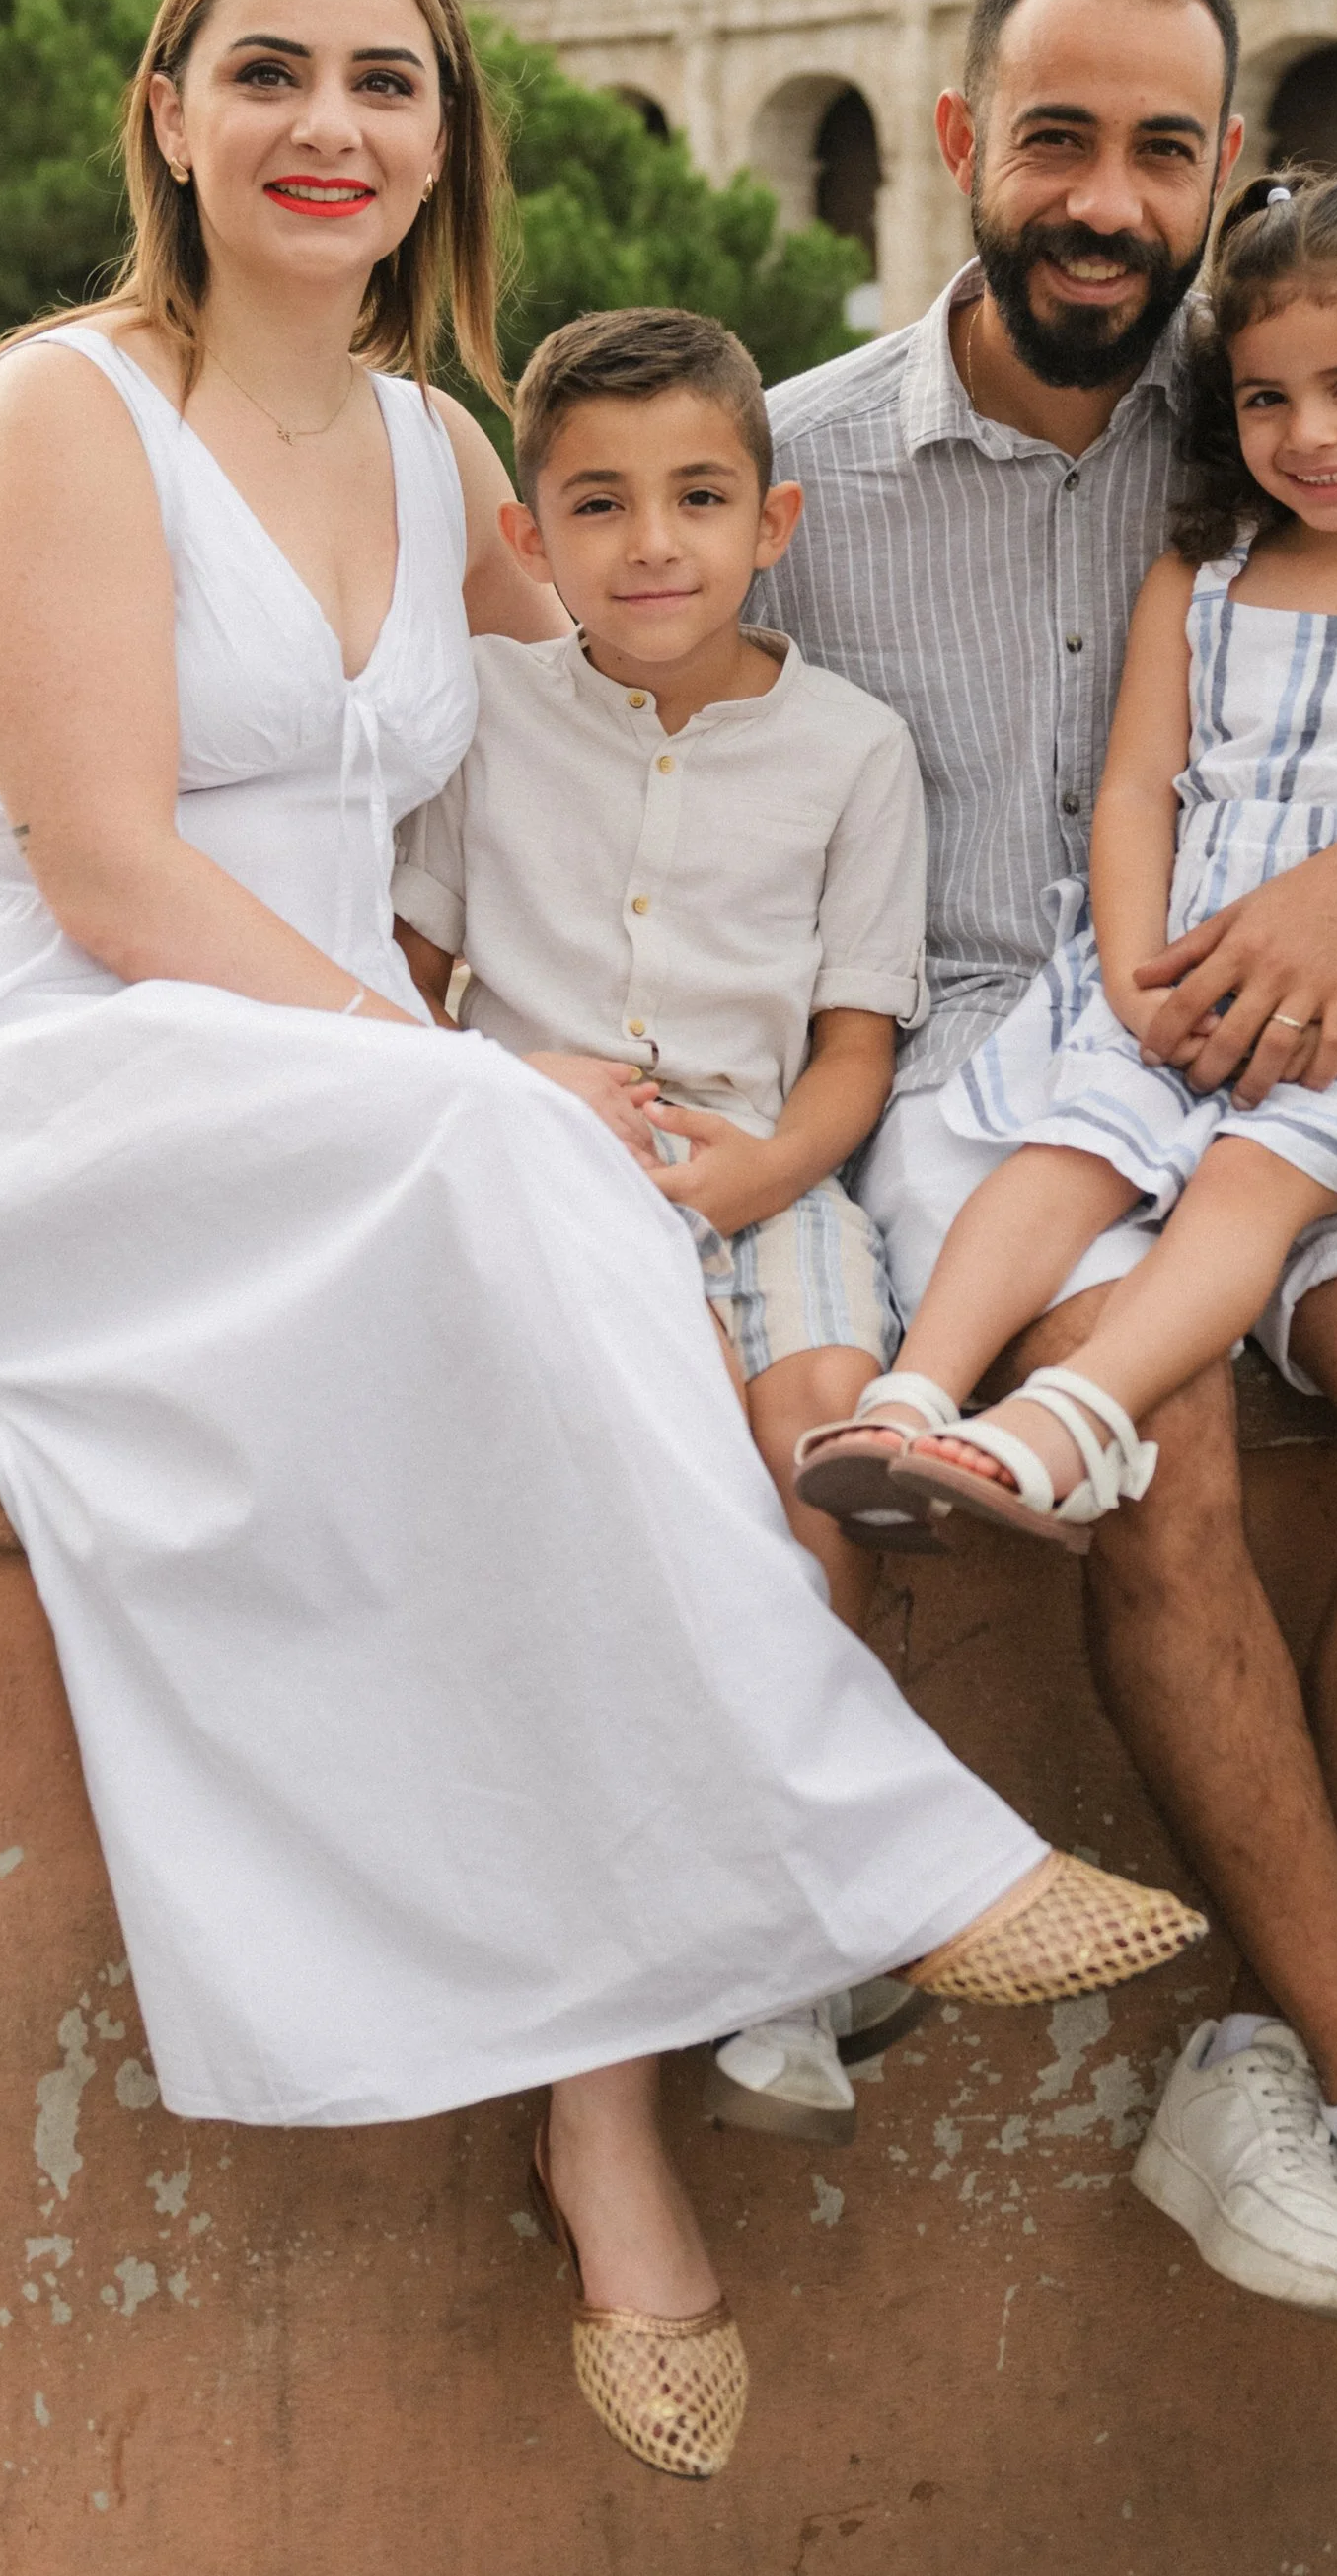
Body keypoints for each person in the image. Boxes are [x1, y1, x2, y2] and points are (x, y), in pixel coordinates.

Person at [0, 0, 1202, 2488]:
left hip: (318, 1114)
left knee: (525, 1296)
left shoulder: (444, 454)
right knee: (502, 1145)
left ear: (447, 141)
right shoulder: (53, 413)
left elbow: (689, 651)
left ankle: (603, 2126)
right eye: (274, 74)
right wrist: (476, 1073)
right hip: (19, 1086)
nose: (330, 128)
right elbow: (107, 880)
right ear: (173, 112)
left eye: (387, 82)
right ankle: (877, 1851)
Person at [755, 0, 1337, 2472]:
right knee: (1158, 1449)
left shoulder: (1281, 411)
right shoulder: (801, 471)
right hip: (1022, 1095)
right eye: (1058, 133)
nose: (1106, 194)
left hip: (1330, 1071)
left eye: (1162, 144)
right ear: (958, 141)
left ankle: (1250, 2069)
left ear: (1220, 165)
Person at [810, 159, 1337, 1565]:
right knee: (1064, 1149)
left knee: (1243, 1182)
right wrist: (1126, 980)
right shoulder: (1205, 574)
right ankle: (913, 1396)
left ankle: (1074, 1419)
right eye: (1266, 396)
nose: (1311, 433)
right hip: (1168, 983)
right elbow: (1133, 795)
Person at [390, 302, 935, 2141]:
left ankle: (796, 1939)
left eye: (700, 498)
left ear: (772, 524)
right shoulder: (489, 720)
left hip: (772, 1180)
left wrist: (765, 1176)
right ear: (528, 541)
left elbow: (857, 1047)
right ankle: (761, 1924)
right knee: (681, 1485)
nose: (653, 545)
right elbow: (408, 974)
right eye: (601, 506)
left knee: (824, 1466)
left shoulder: (856, 748)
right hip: (553, 1194)